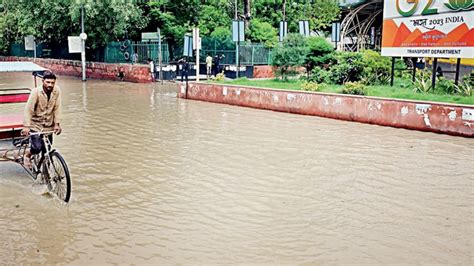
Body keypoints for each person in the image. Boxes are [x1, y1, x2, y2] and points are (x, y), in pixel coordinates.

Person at [21, 70, 62, 169]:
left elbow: (57, 107)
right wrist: (26, 126)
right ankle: (27, 155)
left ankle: (44, 170)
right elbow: (29, 109)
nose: (50, 85)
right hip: (36, 124)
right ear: (43, 81)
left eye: (52, 83)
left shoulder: (57, 91)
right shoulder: (36, 92)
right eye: (48, 82)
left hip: (48, 124)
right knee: (37, 148)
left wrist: (57, 124)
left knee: (46, 150)